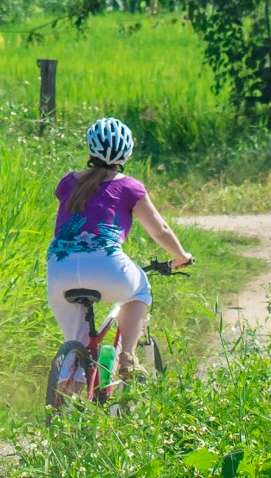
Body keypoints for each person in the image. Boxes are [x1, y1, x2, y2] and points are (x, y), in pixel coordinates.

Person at [46, 116, 194, 399]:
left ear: (90, 151)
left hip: (59, 269)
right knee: (138, 289)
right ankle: (126, 356)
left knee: (76, 345)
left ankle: (67, 408)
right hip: (107, 267)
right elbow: (159, 230)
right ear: (126, 154)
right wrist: (180, 256)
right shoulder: (129, 187)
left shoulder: (67, 183)